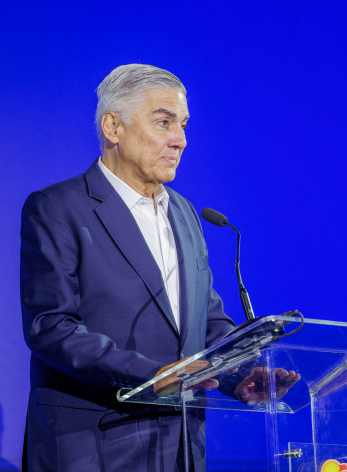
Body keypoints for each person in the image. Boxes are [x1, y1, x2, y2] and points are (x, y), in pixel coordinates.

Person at [20, 64, 237, 471]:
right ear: (113, 127)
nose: (180, 139)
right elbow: (51, 327)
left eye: (184, 125)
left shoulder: (185, 213)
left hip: (181, 448)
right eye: (164, 122)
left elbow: (207, 322)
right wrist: (152, 376)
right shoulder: (58, 207)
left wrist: (242, 373)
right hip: (97, 445)